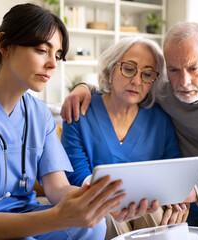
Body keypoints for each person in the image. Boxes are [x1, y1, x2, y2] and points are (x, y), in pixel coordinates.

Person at [0, 4, 126, 240]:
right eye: (41, 50)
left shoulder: (39, 113)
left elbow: (58, 189)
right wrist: (58, 218)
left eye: (57, 55)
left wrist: (101, 200)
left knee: (94, 226)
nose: (52, 64)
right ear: (4, 44)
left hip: (21, 214)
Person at [60, 22, 198, 228]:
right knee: (166, 217)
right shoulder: (160, 88)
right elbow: (121, 86)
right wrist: (83, 88)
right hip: (182, 188)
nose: (183, 81)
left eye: (193, 68)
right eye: (173, 70)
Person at [60, 36, 184, 237]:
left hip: (146, 205)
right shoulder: (80, 110)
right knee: (104, 216)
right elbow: (76, 174)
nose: (136, 80)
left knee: (156, 215)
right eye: (128, 69)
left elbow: (173, 172)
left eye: (147, 74)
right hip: (96, 203)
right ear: (110, 70)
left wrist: (175, 201)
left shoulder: (160, 120)